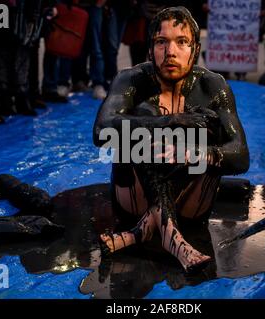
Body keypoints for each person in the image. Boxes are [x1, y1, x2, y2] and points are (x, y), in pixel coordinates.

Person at [92, 7, 249, 272]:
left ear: (195, 50)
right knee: (142, 119)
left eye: (182, 42)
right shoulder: (130, 79)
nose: (171, 52)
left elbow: (241, 153)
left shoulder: (213, 86)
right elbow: (101, 131)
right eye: (161, 42)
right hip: (133, 203)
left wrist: (196, 153)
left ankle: (144, 231)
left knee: (204, 125)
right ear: (149, 50)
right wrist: (166, 121)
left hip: (190, 207)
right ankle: (170, 236)